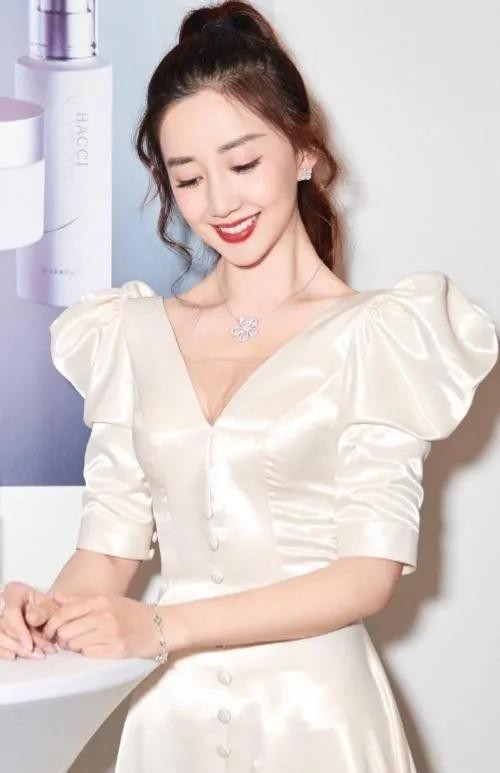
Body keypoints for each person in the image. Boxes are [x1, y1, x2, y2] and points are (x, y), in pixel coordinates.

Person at [0, 1, 498, 770]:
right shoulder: (132, 335)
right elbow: (105, 550)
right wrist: (47, 614)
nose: (220, 202)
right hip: (172, 728)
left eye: (242, 164)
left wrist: (163, 627)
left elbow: (366, 575)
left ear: (304, 152)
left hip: (319, 723)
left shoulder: (381, 335)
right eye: (189, 177)